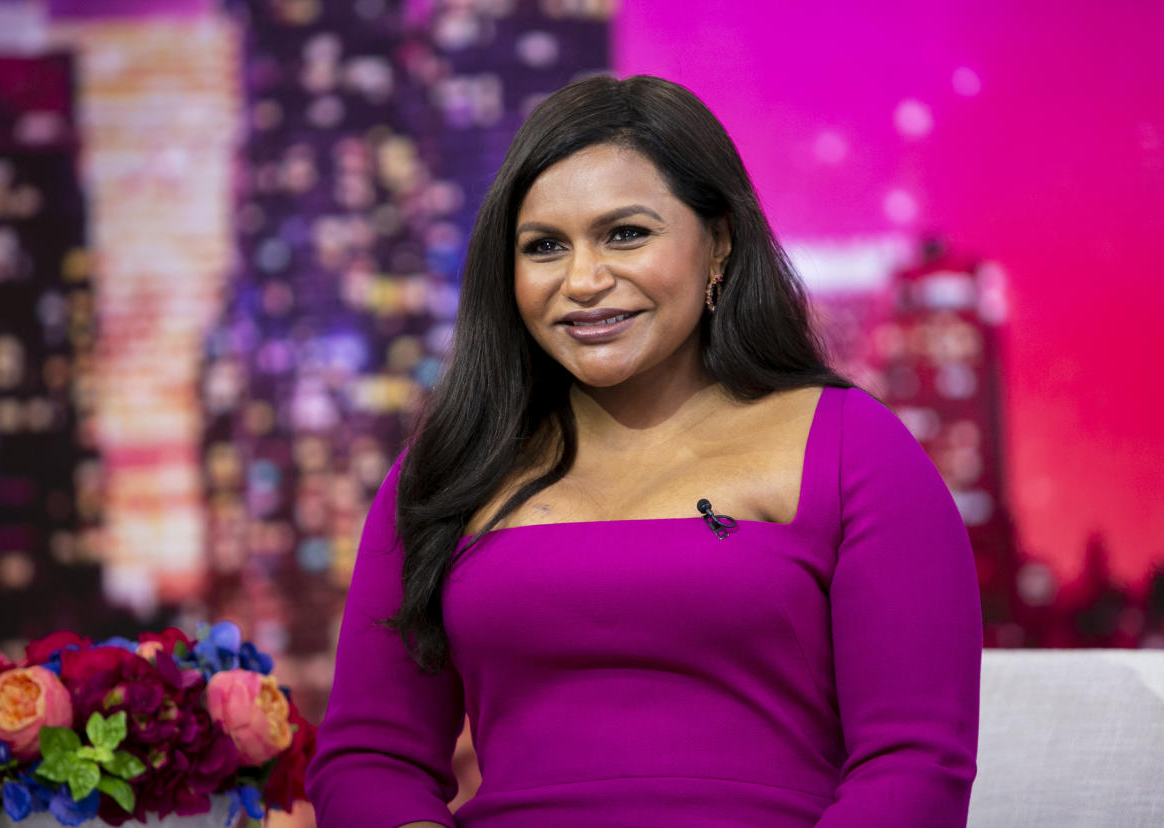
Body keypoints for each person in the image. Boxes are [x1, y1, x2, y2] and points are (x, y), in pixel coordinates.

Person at [306, 74, 981, 827]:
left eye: (625, 234)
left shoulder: (855, 450)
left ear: (718, 242)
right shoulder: (453, 465)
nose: (584, 280)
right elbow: (372, 757)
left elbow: (915, 764)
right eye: (544, 247)